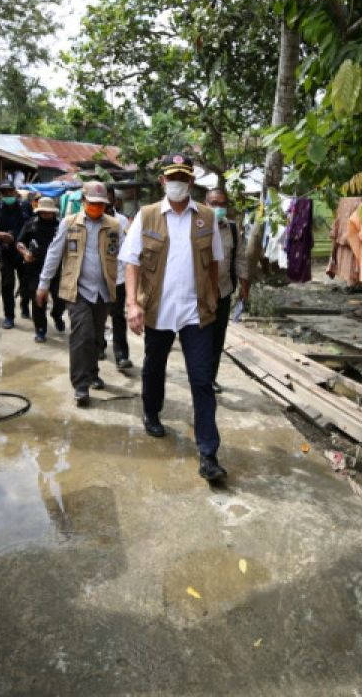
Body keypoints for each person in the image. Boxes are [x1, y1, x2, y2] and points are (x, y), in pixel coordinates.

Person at [120, 154, 226, 482]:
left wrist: (212, 303)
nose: (178, 182)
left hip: (196, 313)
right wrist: (132, 305)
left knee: (201, 380)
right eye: (172, 177)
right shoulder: (147, 215)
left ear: (191, 182)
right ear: (163, 181)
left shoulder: (206, 218)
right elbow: (131, 261)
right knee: (155, 367)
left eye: (184, 177)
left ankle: (208, 454)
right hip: (158, 310)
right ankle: (152, 412)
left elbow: (213, 264)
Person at [36, 181, 123, 407]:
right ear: (83, 202)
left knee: (95, 337)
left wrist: (125, 288)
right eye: (92, 203)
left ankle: (93, 373)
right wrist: (43, 284)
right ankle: (81, 385)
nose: (96, 207)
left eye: (101, 204)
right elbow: (54, 254)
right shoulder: (69, 223)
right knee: (81, 335)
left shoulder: (114, 225)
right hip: (77, 290)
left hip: (103, 291)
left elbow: (123, 258)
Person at [206, 187, 251, 394]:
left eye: (222, 204)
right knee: (199, 337)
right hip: (200, 293)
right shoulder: (197, 226)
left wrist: (244, 285)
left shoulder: (232, 229)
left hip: (223, 289)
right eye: (214, 203)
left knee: (217, 337)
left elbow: (241, 257)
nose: (218, 207)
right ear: (206, 204)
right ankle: (199, 376)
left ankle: (210, 378)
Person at [15, 196, 66, 342]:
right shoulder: (30, 225)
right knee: (39, 301)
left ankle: (57, 315)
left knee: (61, 300)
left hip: (57, 270)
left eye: (49, 212)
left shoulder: (61, 226)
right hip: (35, 269)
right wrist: (25, 253)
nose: (46, 214)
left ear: (54, 212)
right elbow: (19, 243)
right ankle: (40, 329)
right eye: (43, 211)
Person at [0, 179, 34, 329]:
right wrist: (1, 235)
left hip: (24, 252)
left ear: (15, 192)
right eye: (4, 192)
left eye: (9, 191)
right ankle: (9, 316)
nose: (7, 194)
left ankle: (25, 305)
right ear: (1, 194)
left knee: (26, 282)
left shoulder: (25, 207)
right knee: (7, 285)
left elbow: (34, 224)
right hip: (6, 253)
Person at [101, 185, 133, 370]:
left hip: (118, 277)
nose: (105, 199)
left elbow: (127, 249)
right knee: (99, 316)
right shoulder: (87, 218)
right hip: (96, 277)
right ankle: (99, 347)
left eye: (108, 195)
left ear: (114, 198)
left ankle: (121, 355)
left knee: (118, 316)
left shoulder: (122, 221)